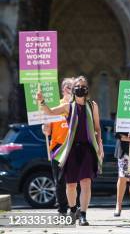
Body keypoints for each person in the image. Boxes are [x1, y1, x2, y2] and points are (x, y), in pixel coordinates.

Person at [37, 76, 103, 226]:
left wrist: (100, 147)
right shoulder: (68, 106)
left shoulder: (93, 106)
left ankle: (83, 215)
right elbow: (49, 112)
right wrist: (41, 101)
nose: (80, 88)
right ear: (73, 90)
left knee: (86, 183)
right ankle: (73, 210)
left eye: (83, 86)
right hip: (71, 149)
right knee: (71, 185)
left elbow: (98, 129)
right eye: (78, 86)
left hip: (88, 148)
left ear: (87, 89)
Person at [41, 77, 73, 217]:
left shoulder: (76, 107)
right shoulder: (56, 106)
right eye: (74, 88)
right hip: (58, 147)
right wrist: (45, 129)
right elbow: (48, 130)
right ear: (66, 89)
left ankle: (75, 207)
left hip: (73, 146)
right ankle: (62, 209)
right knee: (59, 180)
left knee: (73, 180)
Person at [114, 129, 130, 217]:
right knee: (122, 177)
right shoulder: (120, 114)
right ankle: (118, 206)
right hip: (123, 150)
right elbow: (116, 134)